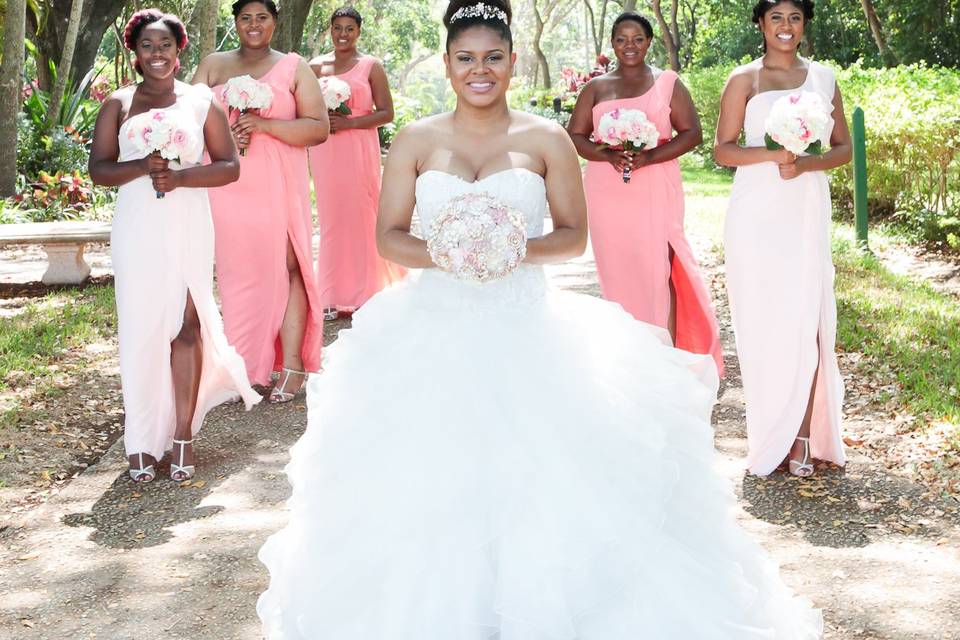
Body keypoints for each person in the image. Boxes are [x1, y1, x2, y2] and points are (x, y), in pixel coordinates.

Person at [256, 1, 823, 637]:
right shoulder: (416, 138)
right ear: (447, 65)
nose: (480, 70)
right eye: (466, 59)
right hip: (432, 331)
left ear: (513, 62)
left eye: (493, 58)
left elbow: (573, 236)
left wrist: (509, 249)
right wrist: (451, 253)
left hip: (526, 329)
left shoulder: (546, 138)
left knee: (544, 483)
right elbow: (389, 239)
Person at [89, 9, 260, 483]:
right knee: (141, 333)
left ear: (179, 50)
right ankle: (142, 439)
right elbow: (100, 171)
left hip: (187, 221)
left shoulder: (201, 100)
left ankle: (183, 434)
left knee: (188, 323)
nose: (157, 54)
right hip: (138, 225)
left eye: (165, 45)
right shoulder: (119, 104)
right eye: (148, 46)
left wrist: (180, 176)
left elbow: (228, 166)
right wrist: (144, 165)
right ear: (136, 53)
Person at [715, 0, 850, 477]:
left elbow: (843, 148)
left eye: (794, 18)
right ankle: (771, 431)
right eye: (776, 18)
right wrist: (774, 156)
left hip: (806, 209)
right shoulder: (744, 80)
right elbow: (723, 150)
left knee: (810, 322)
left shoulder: (824, 78)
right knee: (764, 323)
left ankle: (803, 439)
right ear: (761, 24)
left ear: (804, 24)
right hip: (756, 215)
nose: (786, 27)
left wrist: (806, 163)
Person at [567, 12, 722, 374]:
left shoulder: (668, 83)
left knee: (658, 268)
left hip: (655, 183)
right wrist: (605, 153)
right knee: (617, 268)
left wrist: (648, 156)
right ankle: (627, 362)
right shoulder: (596, 88)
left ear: (649, 41)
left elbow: (692, 133)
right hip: (607, 188)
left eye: (637, 38)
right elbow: (575, 136)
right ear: (612, 44)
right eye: (621, 39)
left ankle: (663, 360)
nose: (629, 46)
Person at [192, 0, 329, 402]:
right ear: (235, 22)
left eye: (262, 17)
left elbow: (318, 128)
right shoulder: (213, 65)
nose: (254, 25)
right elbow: (188, 121)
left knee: (289, 267)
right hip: (227, 187)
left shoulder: (294, 67)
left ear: (275, 22)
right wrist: (224, 136)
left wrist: (266, 125)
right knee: (237, 273)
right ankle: (242, 365)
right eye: (245, 18)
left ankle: (292, 366)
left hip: (277, 182)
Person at [309, 6, 406, 321]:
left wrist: (350, 124)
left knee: (362, 216)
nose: (342, 34)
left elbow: (386, 113)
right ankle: (330, 293)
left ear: (359, 31)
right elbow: (302, 108)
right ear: (330, 29)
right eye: (337, 27)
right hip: (326, 151)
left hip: (359, 148)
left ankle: (367, 293)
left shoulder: (370, 66)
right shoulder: (315, 67)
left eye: (349, 28)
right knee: (332, 218)